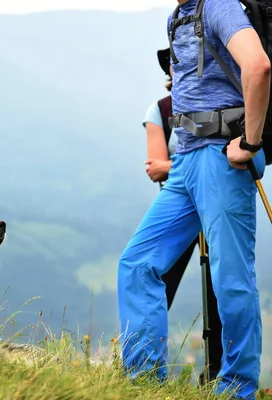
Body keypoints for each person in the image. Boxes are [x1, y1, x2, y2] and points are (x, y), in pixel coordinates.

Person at [117, 0, 270, 399]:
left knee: (231, 278)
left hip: (221, 157)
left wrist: (251, 144)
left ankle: (238, 391)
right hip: (185, 161)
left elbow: (258, 66)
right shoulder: (179, 16)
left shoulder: (219, 7)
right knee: (138, 263)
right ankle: (144, 384)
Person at [141, 46, 223, 384]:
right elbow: (154, 170)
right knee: (160, 281)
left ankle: (216, 375)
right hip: (180, 209)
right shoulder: (160, 109)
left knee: (220, 288)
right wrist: (197, 167)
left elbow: (164, 166)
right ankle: (143, 365)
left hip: (211, 204)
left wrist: (173, 166)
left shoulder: (214, 102)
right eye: (175, 64)